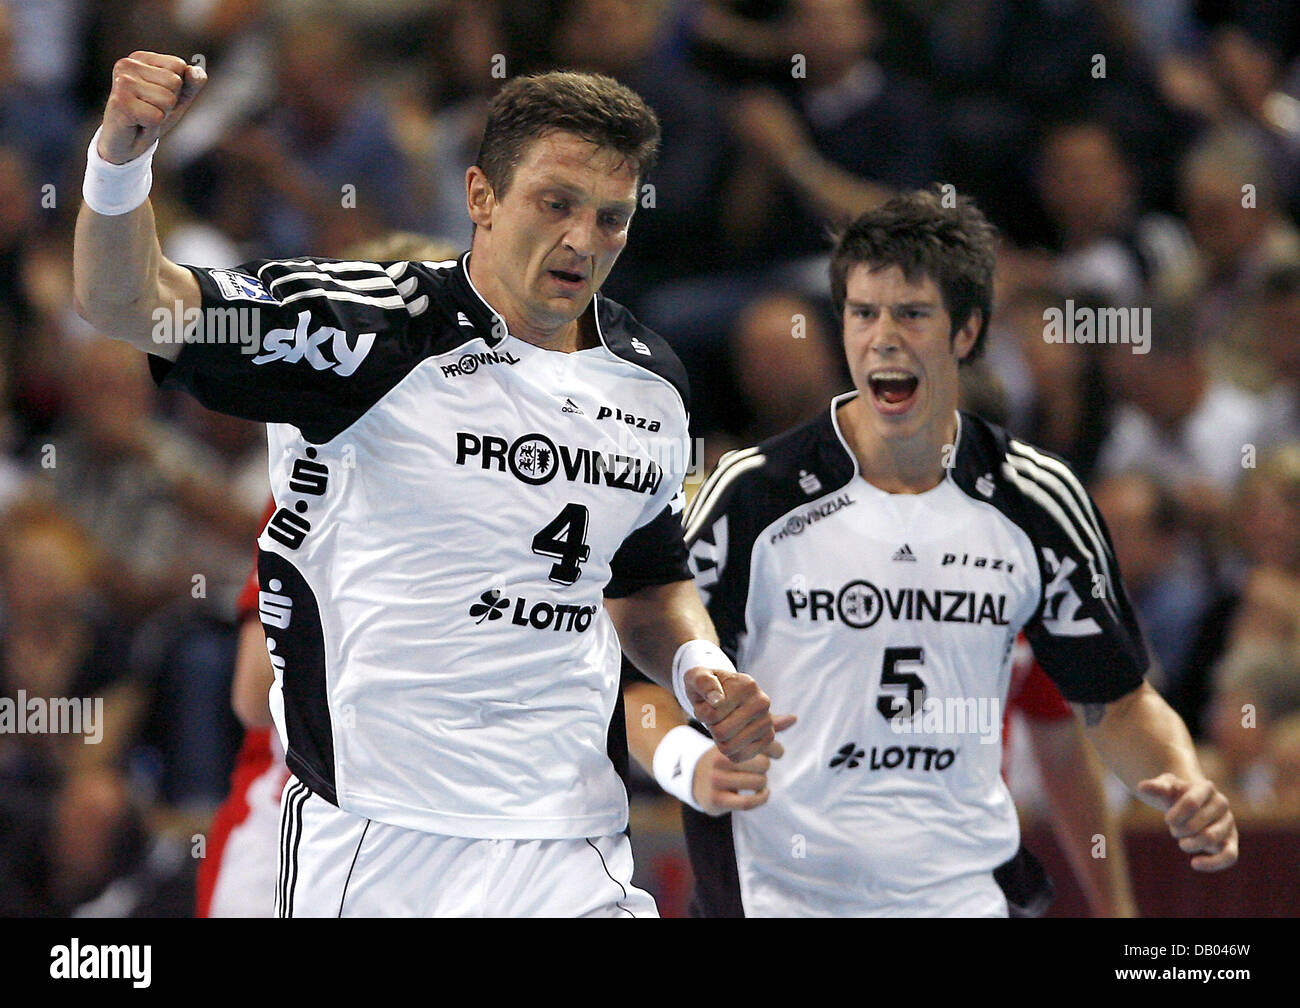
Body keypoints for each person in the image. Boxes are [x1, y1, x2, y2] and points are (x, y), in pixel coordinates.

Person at [74, 52, 779, 917]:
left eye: (611, 218)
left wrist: (698, 663)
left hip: (568, 840)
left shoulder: (649, 383)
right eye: (555, 204)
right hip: (380, 845)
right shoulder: (366, 332)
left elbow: (647, 582)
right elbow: (126, 301)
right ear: (480, 195)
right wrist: (121, 157)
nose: (583, 241)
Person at [657, 186, 1237, 916]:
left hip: (961, 896)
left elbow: (1116, 704)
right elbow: (644, 681)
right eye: (863, 314)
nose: (883, 338)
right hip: (783, 896)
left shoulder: (1036, 502)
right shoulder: (752, 497)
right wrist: (691, 763)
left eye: (911, 313)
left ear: (967, 332)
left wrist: (1185, 781)